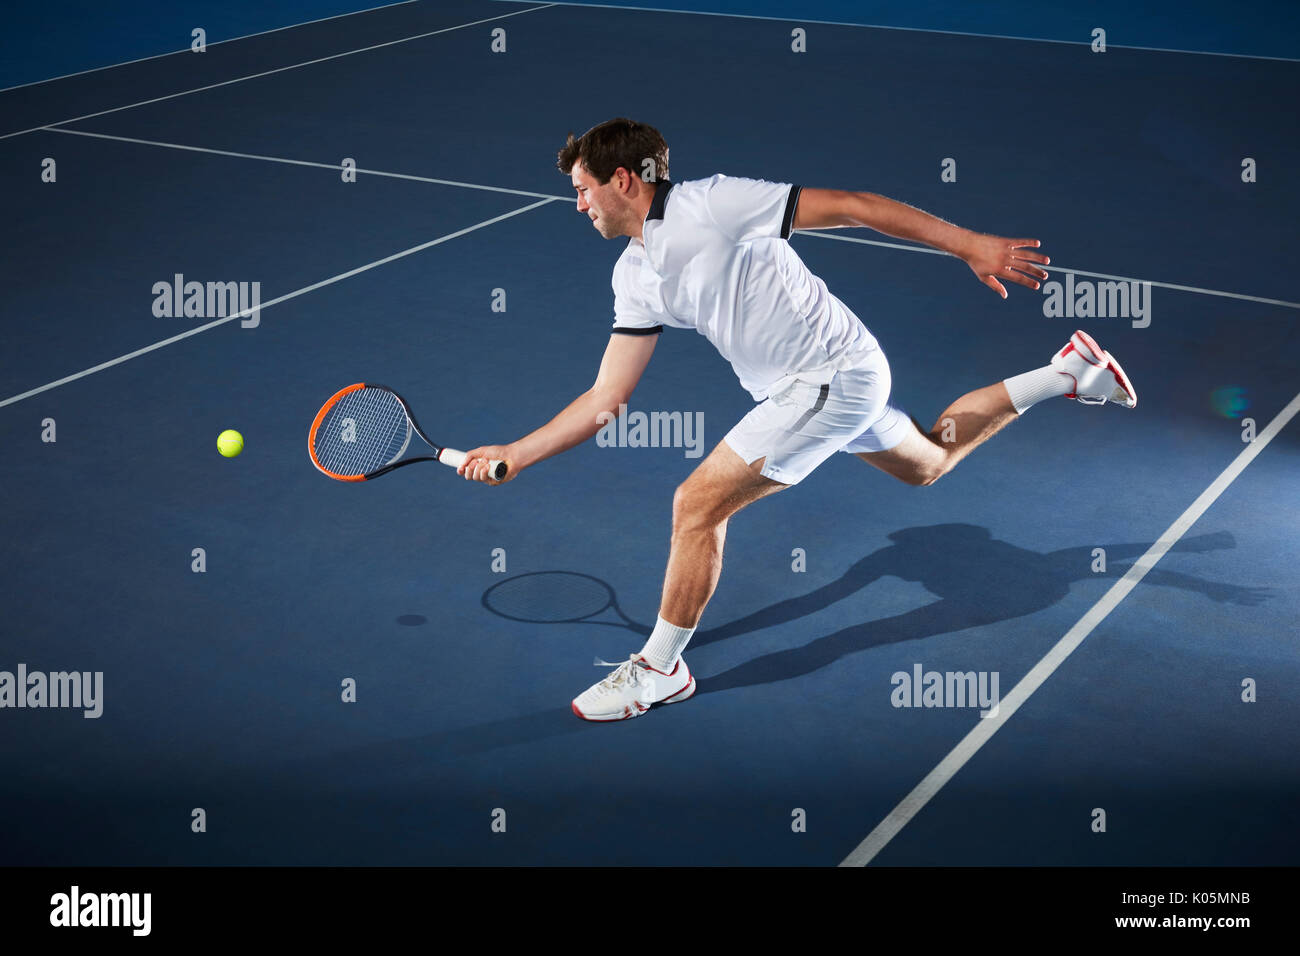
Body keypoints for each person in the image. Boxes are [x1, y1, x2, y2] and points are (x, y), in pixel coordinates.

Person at [458, 118, 1136, 722]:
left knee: (696, 505)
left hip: (830, 378)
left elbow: (853, 207)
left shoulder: (712, 203)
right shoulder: (633, 275)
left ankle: (663, 669)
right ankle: (1067, 373)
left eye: (584, 188)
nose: (577, 203)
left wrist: (968, 244)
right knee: (930, 462)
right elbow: (607, 397)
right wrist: (518, 451)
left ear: (625, 181)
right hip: (813, 387)